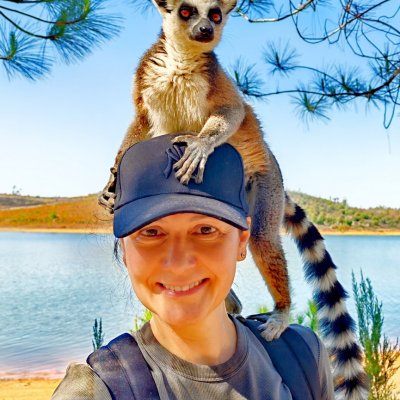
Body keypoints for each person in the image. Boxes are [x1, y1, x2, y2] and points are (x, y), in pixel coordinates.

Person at [52, 134, 334, 400]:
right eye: (151, 232)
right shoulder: (98, 389)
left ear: (242, 241)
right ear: (124, 249)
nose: (178, 263)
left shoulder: (303, 355)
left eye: (205, 230)